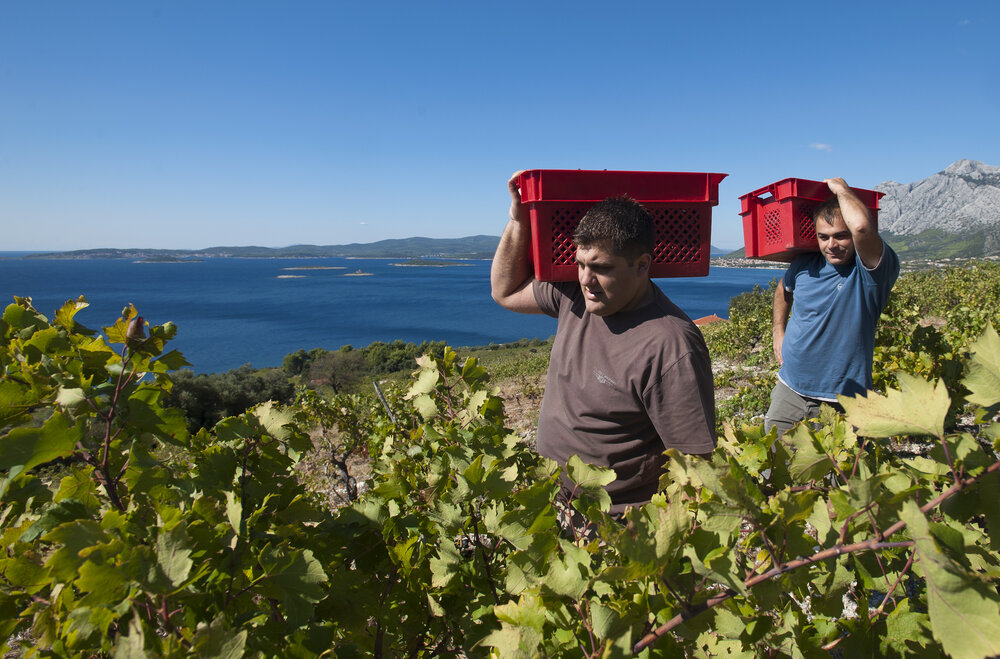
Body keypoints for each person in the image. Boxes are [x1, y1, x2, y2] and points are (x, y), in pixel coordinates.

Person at [491, 171, 717, 517]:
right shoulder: (574, 296)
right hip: (558, 501)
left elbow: (695, 464)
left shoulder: (670, 345)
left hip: (619, 523)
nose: (585, 280)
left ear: (642, 265)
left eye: (601, 268)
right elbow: (504, 292)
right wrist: (518, 221)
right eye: (580, 264)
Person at [764, 177, 900, 435]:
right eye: (823, 237)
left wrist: (841, 189)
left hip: (843, 400)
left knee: (839, 474)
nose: (831, 245)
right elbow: (783, 290)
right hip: (789, 388)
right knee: (774, 468)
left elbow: (861, 227)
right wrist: (777, 331)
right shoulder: (804, 265)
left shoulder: (870, 274)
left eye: (841, 236)